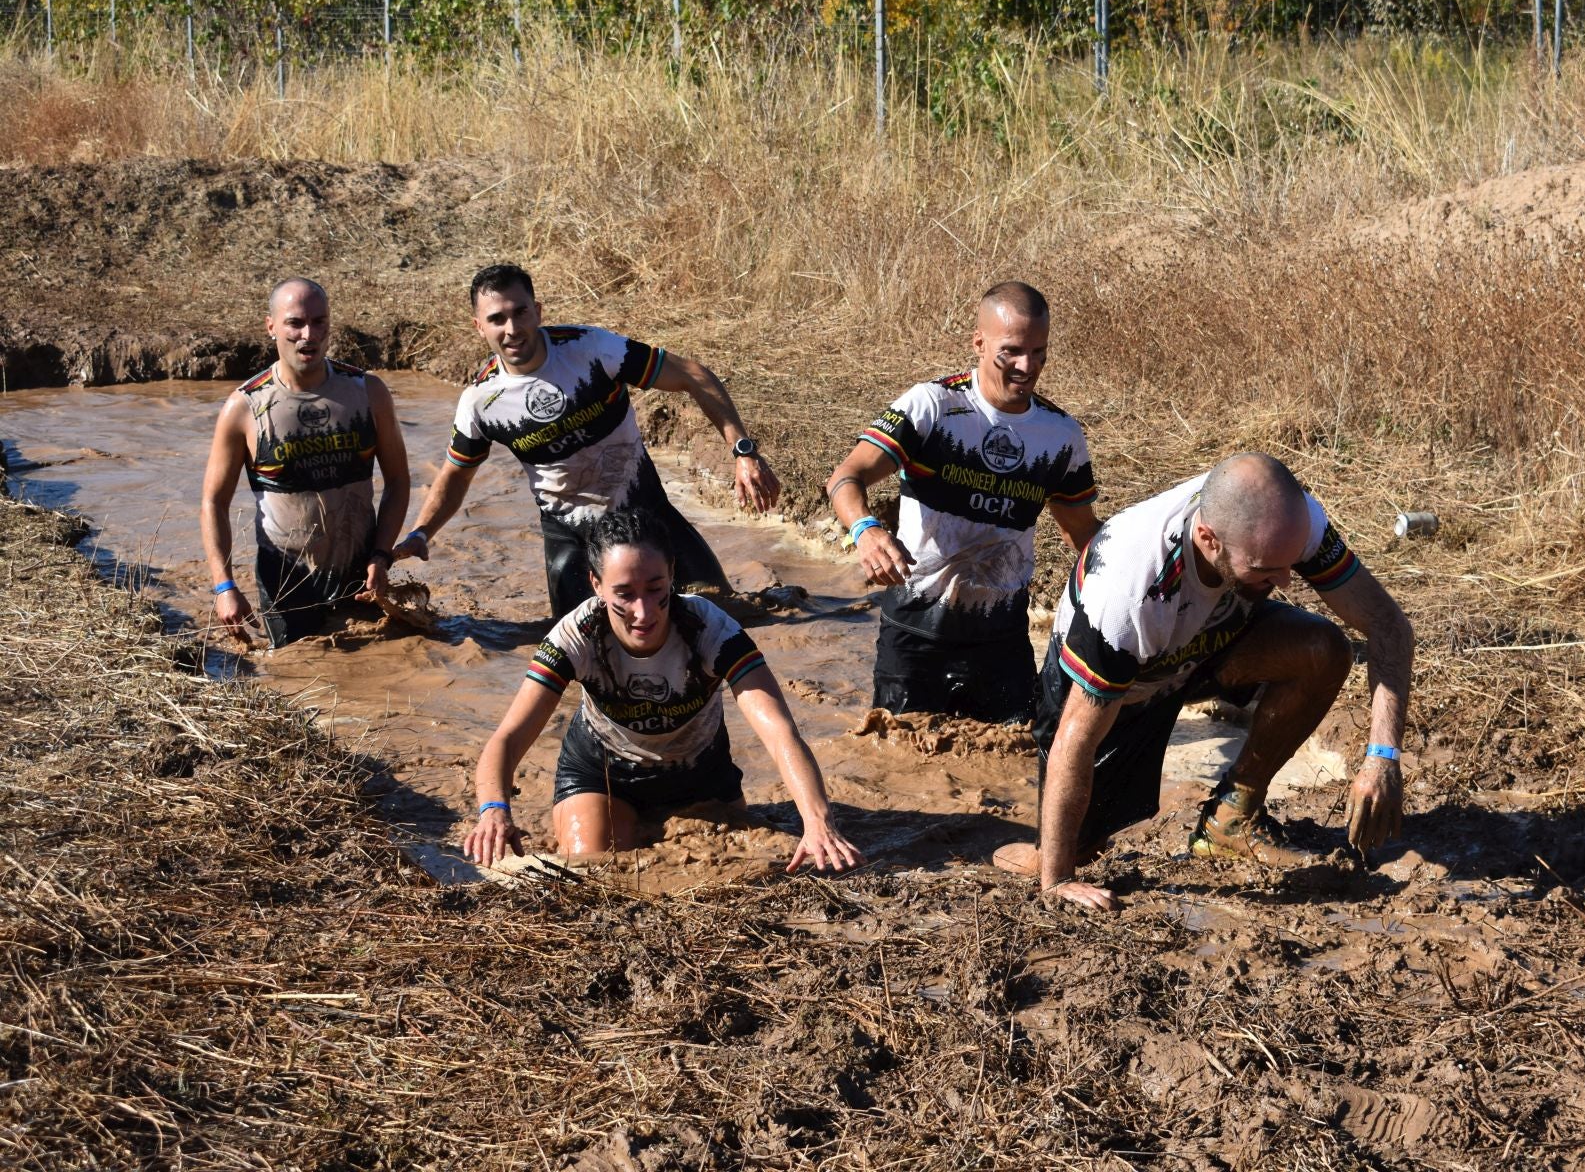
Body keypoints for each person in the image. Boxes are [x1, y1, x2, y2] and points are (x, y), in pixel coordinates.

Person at [994, 452, 1415, 911]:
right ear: (1208, 539)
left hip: (1205, 643)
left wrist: (1382, 756)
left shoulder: (1289, 522)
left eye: (1290, 564)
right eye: (1265, 570)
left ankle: (1230, 820)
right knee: (1069, 853)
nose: (1287, 582)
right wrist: (1056, 882)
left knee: (1322, 650)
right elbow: (1075, 738)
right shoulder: (1129, 587)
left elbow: (1388, 626)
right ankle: (1011, 849)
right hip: (1124, 682)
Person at [462, 509, 864, 873]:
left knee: (738, 873)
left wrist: (818, 824)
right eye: (624, 594)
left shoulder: (712, 630)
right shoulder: (575, 637)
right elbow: (509, 737)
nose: (644, 611)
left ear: (672, 573)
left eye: (656, 588)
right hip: (603, 774)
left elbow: (779, 732)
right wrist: (494, 811)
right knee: (594, 872)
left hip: (702, 773)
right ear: (596, 585)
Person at [392, 263, 780, 618]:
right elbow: (456, 475)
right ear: (479, 327)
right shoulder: (480, 402)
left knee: (718, 615)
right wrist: (421, 532)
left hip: (646, 515)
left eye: (520, 312)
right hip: (573, 538)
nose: (512, 329)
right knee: (581, 651)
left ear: (538, 311)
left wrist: (743, 450)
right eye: (497, 319)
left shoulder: (591, 350)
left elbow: (693, 376)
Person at [825, 282, 1100, 723]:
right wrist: (866, 530)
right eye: (1011, 351)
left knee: (1013, 769)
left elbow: (1083, 534)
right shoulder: (932, 405)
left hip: (1001, 639)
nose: (1027, 366)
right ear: (979, 342)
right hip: (915, 632)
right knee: (897, 766)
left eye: (1039, 352)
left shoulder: (1061, 435)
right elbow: (845, 476)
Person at [200, 277, 409, 648]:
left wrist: (382, 554)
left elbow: (398, 481)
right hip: (286, 578)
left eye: (319, 322)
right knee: (298, 682)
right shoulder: (244, 407)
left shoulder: (367, 392)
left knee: (379, 676)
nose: (307, 335)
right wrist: (224, 586)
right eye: (295, 323)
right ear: (271, 327)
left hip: (360, 574)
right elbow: (214, 502)